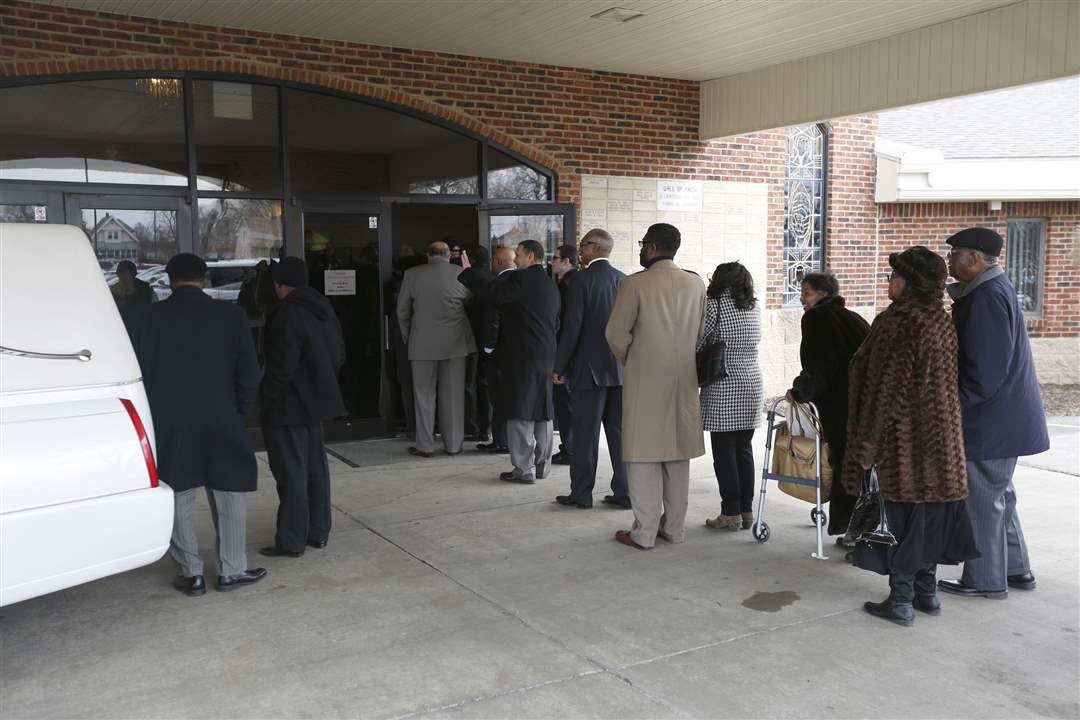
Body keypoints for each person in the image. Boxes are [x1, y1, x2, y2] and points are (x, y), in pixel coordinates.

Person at [844, 246, 978, 626]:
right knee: (928, 517)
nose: (889, 282)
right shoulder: (940, 320)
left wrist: (868, 446)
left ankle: (901, 600)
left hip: (905, 443)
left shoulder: (899, 323)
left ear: (910, 282)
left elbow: (886, 391)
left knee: (900, 520)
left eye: (894, 276)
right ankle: (926, 592)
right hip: (940, 441)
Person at [136, 253, 266, 596]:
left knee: (178, 490)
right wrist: (240, 409)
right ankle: (231, 570)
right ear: (203, 278)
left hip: (170, 418)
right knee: (229, 488)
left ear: (169, 280)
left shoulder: (151, 317)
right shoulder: (231, 315)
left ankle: (191, 572)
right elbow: (249, 372)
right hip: (222, 414)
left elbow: (142, 370)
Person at [939, 227, 1049, 599]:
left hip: (991, 422)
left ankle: (985, 580)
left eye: (953, 253)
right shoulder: (991, 289)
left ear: (973, 258)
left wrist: (950, 407)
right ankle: (1016, 569)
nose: (949, 260)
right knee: (1000, 496)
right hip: (1004, 418)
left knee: (983, 501)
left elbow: (984, 374)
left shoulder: (985, 297)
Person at [605, 223, 706, 549]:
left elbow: (615, 334)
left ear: (650, 247)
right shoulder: (695, 283)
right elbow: (700, 332)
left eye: (642, 244)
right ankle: (674, 529)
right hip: (684, 380)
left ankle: (644, 532)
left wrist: (632, 359)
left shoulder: (635, 283)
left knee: (643, 456)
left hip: (645, 380)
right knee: (677, 457)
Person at [259, 257, 347, 558]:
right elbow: (339, 353)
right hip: (315, 403)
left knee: (291, 474)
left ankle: (291, 540)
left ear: (279, 284)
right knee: (316, 470)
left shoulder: (287, 313)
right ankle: (318, 532)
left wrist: (267, 396)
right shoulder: (323, 309)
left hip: (288, 406)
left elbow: (281, 366)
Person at [459, 240, 560, 483]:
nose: (515, 260)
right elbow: (556, 321)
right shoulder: (549, 283)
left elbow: (494, 295)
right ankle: (542, 466)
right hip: (546, 353)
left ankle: (523, 470)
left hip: (521, 355)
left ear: (531, 256)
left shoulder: (520, 279)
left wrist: (468, 272)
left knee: (520, 410)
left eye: (519, 255)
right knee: (543, 410)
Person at [785, 272, 870, 545]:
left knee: (844, 464)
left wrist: (800, 391)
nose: (802, 298)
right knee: (859, 466)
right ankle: (860, 525)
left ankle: (850, 527)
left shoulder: (817, 319)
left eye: (807, 293)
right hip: (863, 402)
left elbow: (819, 364)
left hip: (840, 404)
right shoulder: (852, 317)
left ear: (823, 294)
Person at [553, 229, 629, 510]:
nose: (580, 249)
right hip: (620, 370)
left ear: (595, 248)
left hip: (588, 371)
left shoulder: (581, 280)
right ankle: (624, 493)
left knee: (585, 435)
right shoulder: (624, 280)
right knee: (620, 436)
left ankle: (582, 494)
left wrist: (559, 365)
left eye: (583, 245)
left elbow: (572, 327)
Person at [699, 262, 763, 531]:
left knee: (724, 453)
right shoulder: (754, 305)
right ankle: (746, 511)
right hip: (752, 382)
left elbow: (699, 340)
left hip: (724, 383)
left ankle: (730, 513)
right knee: (744, 450)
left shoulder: (714, 305)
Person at [396, 241, 476, 457]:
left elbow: (402, 311)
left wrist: (409, 337)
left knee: (423, 395)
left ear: (428, 255)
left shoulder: (412, 274)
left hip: (422, 343)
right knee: (453, 395)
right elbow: (470, 300)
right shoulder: (461, 273)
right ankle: (453, 445)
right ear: (449, 256)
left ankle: (425, 445)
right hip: (456, 343)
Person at [475, 245, 516, 454]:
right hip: (515, 350)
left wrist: (488, 348)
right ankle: (503, 439)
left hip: (498, 351)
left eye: (492, 261)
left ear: (499, 262)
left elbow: (494, 318)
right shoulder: (520, 281)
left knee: (498, 397)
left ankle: (501, 441)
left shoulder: (498, 284)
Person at [551, 243, 580, 466]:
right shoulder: (569, 283)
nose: (552, 262)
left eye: (556, 258)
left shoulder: (568, 286)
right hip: (573, 355)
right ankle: (570, 448)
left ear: (567, 262)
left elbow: (566, 327)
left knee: (565, 406)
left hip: (566, 356)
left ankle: (570, 449)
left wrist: (559, 364)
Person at [462, 244, 493, 443]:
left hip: (470, 337)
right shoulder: (494, 279)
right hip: (489, 340)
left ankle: (472, 428)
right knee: (486, 384)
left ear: (470, 260)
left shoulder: (467, 279)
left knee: (469, 383)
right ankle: (486, 429)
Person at [111, 259, 154, 342]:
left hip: (140, 332)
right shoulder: (114, 290)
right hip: (120, 331)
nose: (122, 277)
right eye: (119, 274)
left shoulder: (145, 290)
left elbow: (151, 311)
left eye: (124, 273)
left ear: (133, 274)